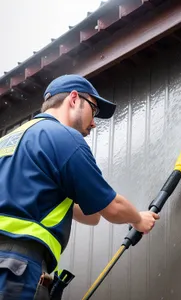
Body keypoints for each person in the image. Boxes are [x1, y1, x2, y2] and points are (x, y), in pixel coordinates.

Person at [0, 74, 160, 299]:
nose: (94, 122)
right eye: (93, 110)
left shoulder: (9, 140)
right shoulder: (64, 138)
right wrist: (138, 219)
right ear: (74, 99)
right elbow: (112, 207)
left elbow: (91, 214)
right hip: (17, 267)